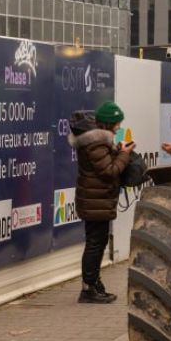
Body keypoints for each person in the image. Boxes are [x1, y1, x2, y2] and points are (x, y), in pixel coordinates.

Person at [70, 101, 134, 304]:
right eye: (116, 124)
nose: (118, 128)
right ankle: (88, 289)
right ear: (108, 124)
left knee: (98, 243)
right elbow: (109, 172)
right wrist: (124, 154)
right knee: (95, 244)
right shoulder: (96, 143)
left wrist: (118, 151)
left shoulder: (96, 142)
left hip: (96, 201)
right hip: (95, 202)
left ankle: (94, 284)